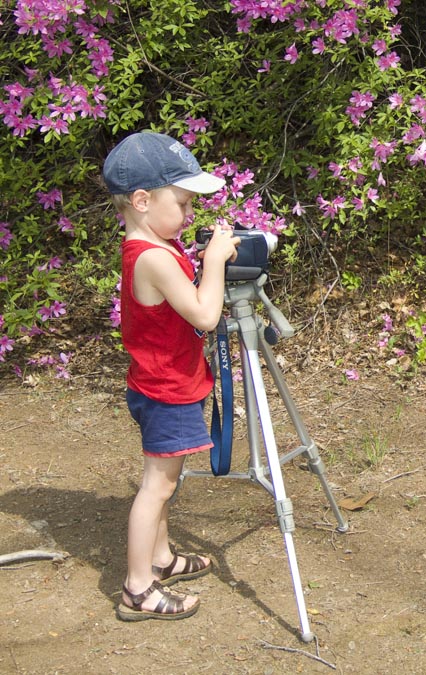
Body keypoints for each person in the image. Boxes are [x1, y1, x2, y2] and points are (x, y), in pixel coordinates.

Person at [103, 131, 239, 620]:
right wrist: (217, 262)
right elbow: (204, 314)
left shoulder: (152, 245)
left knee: (167, 481)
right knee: (157, 486)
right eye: (182, 204)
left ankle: (160, 559)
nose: (188, 216)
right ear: (142, 200)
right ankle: (138, 587)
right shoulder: (156, 257)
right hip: (167, 391)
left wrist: (203, 260)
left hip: (157, 383)